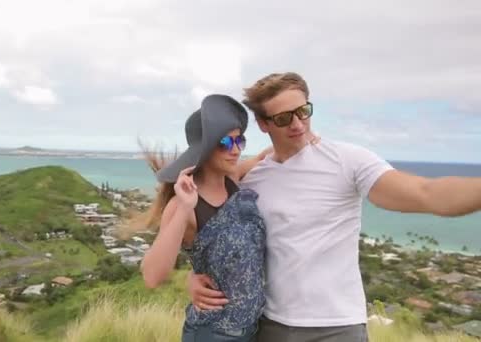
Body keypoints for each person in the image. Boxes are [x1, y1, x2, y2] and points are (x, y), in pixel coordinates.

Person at [188, 72, 481, 342]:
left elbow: (427, 193)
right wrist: (196, 274)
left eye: (303, 111)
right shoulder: (253, 176)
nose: (298, 124)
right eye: (283, 119)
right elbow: (209, 228)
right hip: (271, 324)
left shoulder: (347, 161)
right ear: (264, 124)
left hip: (338, 327)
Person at [140, 94, 271, 342]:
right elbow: (152, 276)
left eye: (239, 140)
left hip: (253, 331)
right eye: (225, 142)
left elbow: (267, 156)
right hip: (212, 334)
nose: (235, 150)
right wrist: (183, 207)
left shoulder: (233, 179)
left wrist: (309, 139)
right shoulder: (184, 204)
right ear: (205, 148)